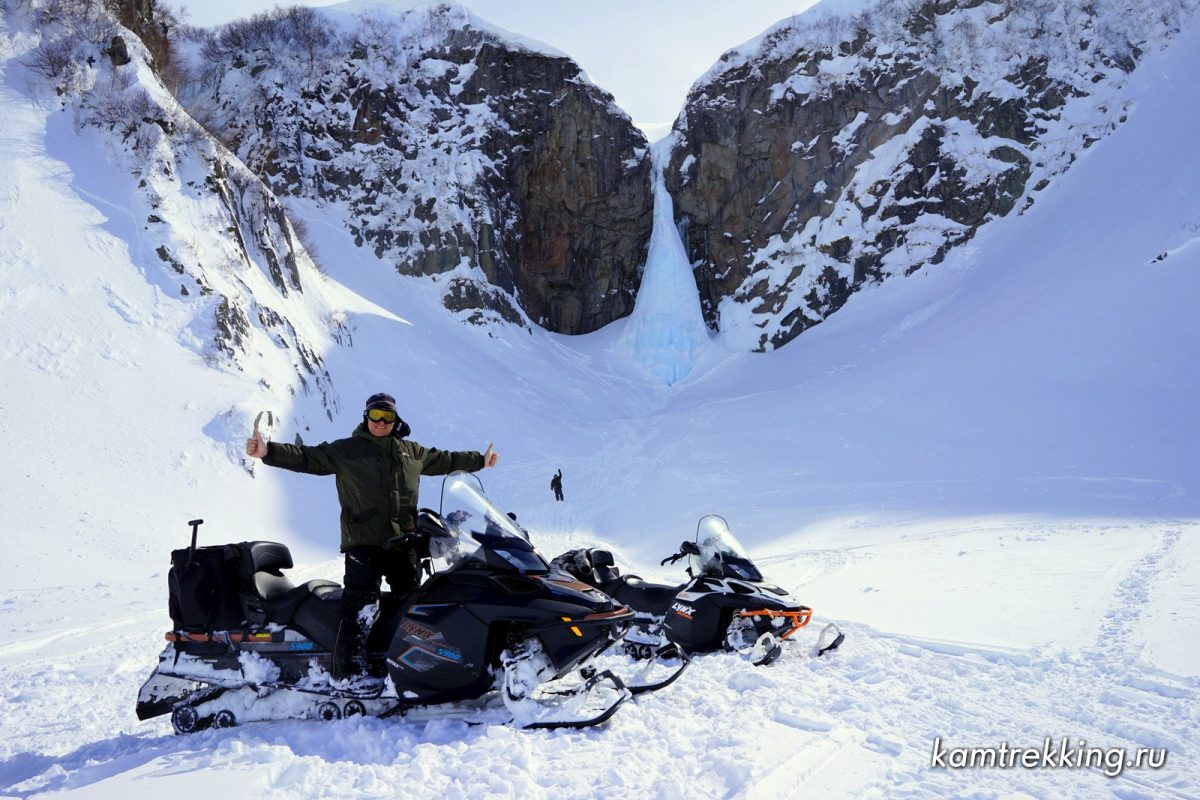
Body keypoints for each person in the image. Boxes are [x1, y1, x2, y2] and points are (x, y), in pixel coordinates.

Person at [245, 392, 499, 680]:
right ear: (365, 418)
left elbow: (446, 460)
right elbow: (308, 457)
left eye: (387, 416)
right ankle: (347, 673)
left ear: (395, 419)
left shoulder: (412, 452)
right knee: (361, 606)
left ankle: (403, 666)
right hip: (364, 543)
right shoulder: (347, 450)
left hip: (403, 543)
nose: (381, 422)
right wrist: (268, 452)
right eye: (375, 416)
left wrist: (480, 460)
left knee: (410, 607)